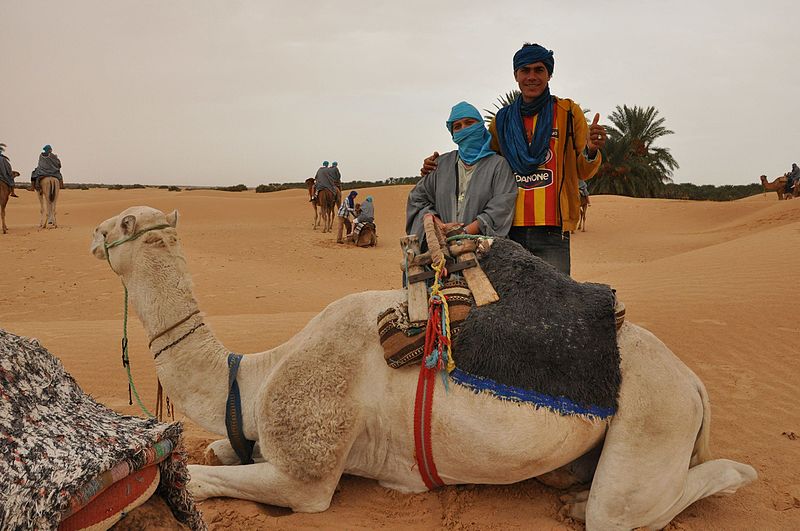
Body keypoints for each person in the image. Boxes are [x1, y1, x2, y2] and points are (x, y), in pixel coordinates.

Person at [421, 43, 608, 276]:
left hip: (552, 228)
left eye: (539, 70)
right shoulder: (503, 119)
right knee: (512, 301)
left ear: (549, 74)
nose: (532, 77)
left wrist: (590, 150)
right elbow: (480, 157)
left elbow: (583, 170)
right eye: (525, 70)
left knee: (555, 301)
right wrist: (438, 167)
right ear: (515, 75)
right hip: (509, 228)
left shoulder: (568, 112)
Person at [406, 101, 517, 245]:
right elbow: (417, 199)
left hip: (484, 250)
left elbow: (502, 206)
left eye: (469, 123)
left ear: (480, 125)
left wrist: (464, 233)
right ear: (453, 134)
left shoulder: (498, 165)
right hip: (442, 248)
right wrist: (439, 225)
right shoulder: (440, 164)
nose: (464, 129)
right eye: (457, 127)